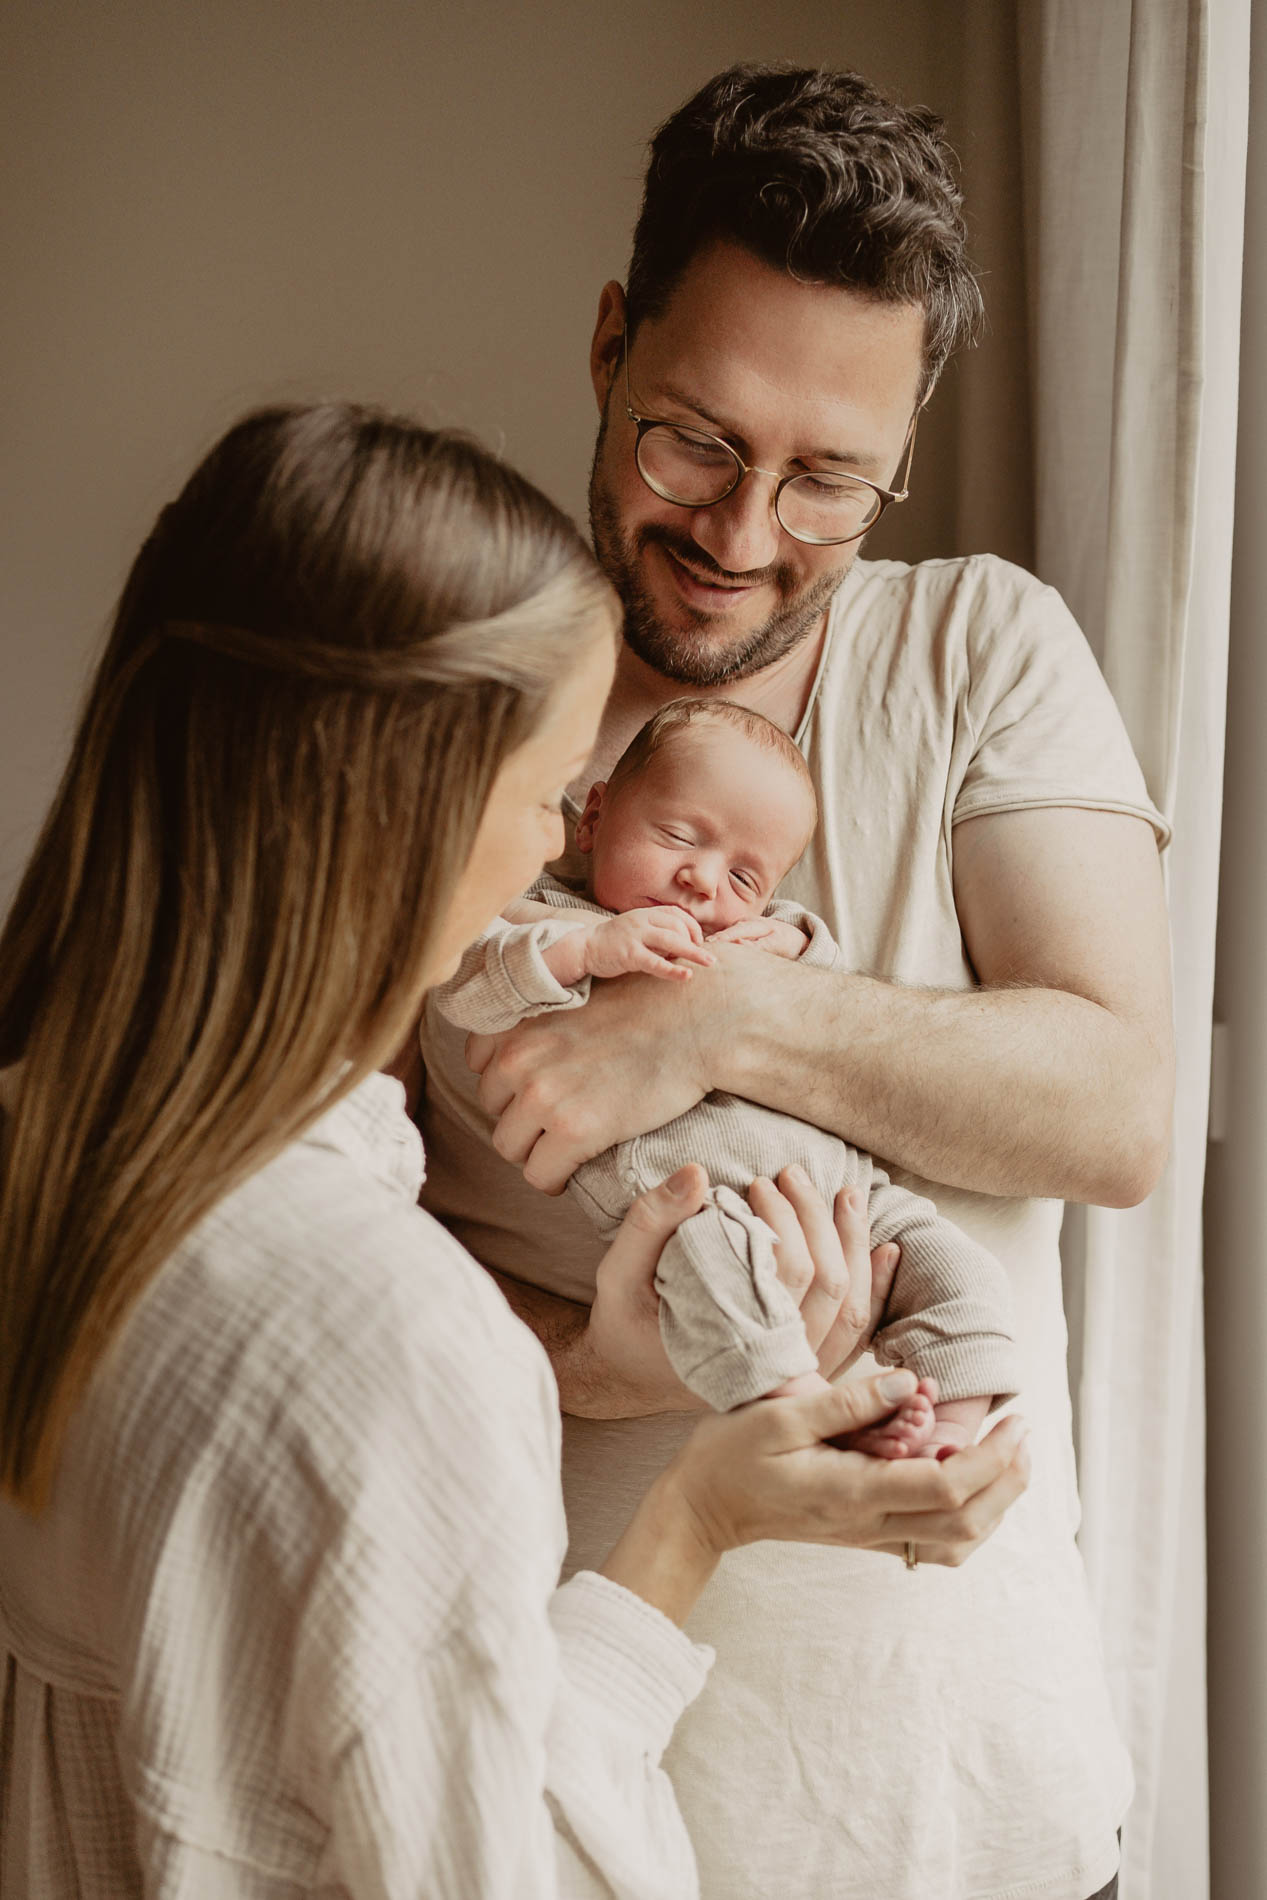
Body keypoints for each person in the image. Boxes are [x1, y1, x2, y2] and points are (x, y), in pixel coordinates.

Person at [0, 403, 1032, 1899]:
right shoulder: (388, 1333)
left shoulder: (43, 1146)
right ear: (409, 813)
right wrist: (691, 1523)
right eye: (551, 796)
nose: (558, 841)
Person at [417, 63, 1173, 1900]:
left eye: (829, 476)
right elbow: (303, 1235)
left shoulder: (981, 646)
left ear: (902, 452)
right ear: (610, 342)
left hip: (980, 1804)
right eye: (695, 438)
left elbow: (1115, 1105)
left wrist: (716, 1016)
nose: (745, 534)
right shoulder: (444, 698)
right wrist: (599, 1378)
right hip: (576, 1804)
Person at [428, 694, 1019, 1457]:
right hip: (695, 1199)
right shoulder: (540, 917)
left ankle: (951, 1426)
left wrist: (789, 953)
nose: (702, 881)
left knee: (960, 1269)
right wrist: (588, 952)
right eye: (676, 835)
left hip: (852, 1194)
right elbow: (466, 983)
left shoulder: (768, 937)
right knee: (713, 1274)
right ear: (594, 815)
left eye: (745, 879)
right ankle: (797, 1405)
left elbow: (830, 999)